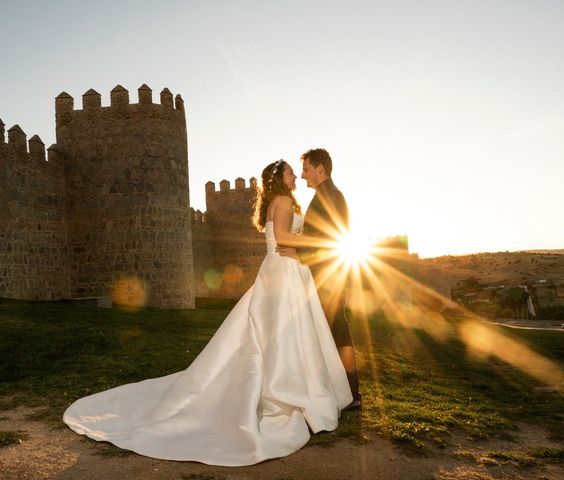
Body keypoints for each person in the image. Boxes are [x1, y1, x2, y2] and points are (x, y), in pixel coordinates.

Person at [62, 160, 352, 467]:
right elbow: (281, 238)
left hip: (289, 271)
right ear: (279, 179)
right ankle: (285, 389)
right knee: (281, 331)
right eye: (291, 171)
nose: (296, 174)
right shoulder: (281, 201)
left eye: (297, 170)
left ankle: (288, 383)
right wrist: (316, 243)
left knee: (281, 332)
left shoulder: (282, 200)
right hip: (284, 271)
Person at [276, 148, 361, 409]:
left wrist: (300, 252)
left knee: (335, 330)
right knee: (327, 331)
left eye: (306, 169)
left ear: (320, 169)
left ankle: (350, 394)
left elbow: (328, 238)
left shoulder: (331, 196)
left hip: (330, 275)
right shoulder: (327, 195)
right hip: (327, 273)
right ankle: (337, 391)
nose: (302, 176)